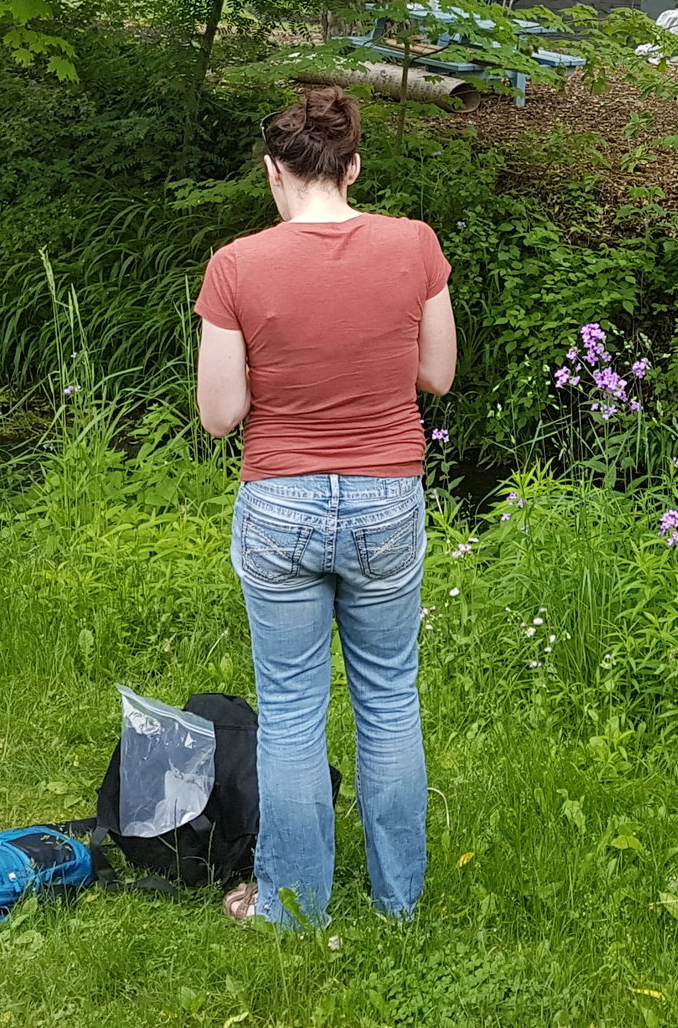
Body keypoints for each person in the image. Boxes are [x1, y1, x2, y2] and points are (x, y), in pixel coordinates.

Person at [194, 85, 457, 929]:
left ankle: (293, 907)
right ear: (353, 166)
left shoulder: (236, 264)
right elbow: (438, 375)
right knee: (389, 699)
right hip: (386, 498)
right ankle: (399, 901)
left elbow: (219, 413)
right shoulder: (414, 245)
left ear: (276, 171)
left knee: (293, 710)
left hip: (279, 501)